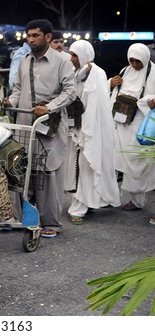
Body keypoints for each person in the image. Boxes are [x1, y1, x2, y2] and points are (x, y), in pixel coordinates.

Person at [4, 19, 76, 238]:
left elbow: (70, 92)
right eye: (28, 36)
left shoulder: (62, 61)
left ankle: (51, 222)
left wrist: (49, 108)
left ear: (47, 37)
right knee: (21, 170)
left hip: (50, 126)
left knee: (49, 172)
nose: (30, 39)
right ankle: (20, 217)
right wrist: (10, 102)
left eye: (35, 35)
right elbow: (17, 89)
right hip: (26, 124)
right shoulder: (25, 61)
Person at [64, 40, 121, 224]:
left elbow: (95, 106)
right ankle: (83, 202)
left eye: (75, 55)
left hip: (91, 130)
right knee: (77, 167)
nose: (71, 59)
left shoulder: (97, 74)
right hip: (77, 128)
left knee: (86, 166)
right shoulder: (76, 73)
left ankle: (80, 206)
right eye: (71, 55)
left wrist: (85, 132)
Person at [111, 43, 155, 211]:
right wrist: (112, 84)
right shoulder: (125, 71)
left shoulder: (153, 73)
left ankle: (138, 199)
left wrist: (148, 101)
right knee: (121, 160)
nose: (135, 65)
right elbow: (114, 95)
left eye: (138, 61)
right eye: (132, 60)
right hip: (122, 123)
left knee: (139, 161)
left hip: (142, 124)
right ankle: (123, 198)